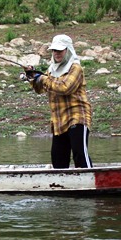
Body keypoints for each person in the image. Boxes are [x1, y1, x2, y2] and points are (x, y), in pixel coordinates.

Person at [24, 34, 93, 169]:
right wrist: (32, 76)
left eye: (60, 51)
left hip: (77, 117)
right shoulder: (51, 70)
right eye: (54, 50)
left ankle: (91, 181)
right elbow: (40, 89)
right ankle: (61, 186)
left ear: (68, 50)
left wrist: (42, 78)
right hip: (59, 121)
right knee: (58, 159)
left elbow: (64, 87)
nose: (56, 53)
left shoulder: (75, 68)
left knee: (79, 154)